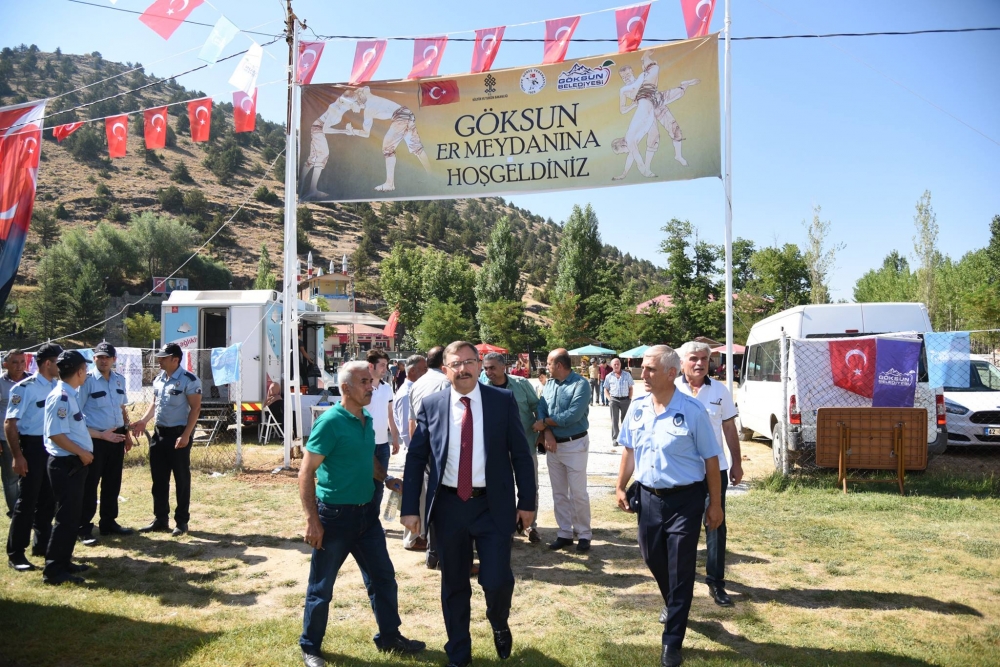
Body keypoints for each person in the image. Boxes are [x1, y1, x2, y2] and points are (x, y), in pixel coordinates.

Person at [401, 341, 536, 667]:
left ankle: (498, 619)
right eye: (455, 364)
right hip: (449, 507)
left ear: (478, 365)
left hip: (492, 505)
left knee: (497, 579)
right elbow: (416, 457)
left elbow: (521, 454)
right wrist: (409, 508)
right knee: (454, 584)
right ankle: (459, 654)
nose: (463, 369)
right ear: (445, 369)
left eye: (469, 362)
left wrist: (527, 502)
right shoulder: (432, 405)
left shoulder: (501, 401)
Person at [298, 361, 426, 667]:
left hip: (367, 517)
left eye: (372, 381)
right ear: (345, 388)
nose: (372, 386)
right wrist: (312, 520)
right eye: (365, 382)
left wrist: (388, 479)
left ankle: (390, 637)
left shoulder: (366, 418)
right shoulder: (330, 423)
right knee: (322, 588)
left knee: (383, 579)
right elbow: (305, 473)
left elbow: (367, 459)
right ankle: (310, 646)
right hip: (334, 518)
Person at [615, 345, 724, 667]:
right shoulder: (637, 408)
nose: (643, 374)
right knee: (652, 556)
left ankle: (672, 642)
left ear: (671, 373)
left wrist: (715, 504)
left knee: (680, 569)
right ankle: (675, 602)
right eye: (643, 367)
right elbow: (629, 450)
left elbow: (711, 460)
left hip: (685, 501)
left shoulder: (692, 411)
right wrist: (620, 486)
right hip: (648, 498)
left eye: (650, 369)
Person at [675, 341, 742, 608]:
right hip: (682, 473)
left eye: (704, 358)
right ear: (682, 362)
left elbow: (729, 429)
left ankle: (716, 582)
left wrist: (737, 463)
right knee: (682, 529)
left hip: (714, 471)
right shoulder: (672, 389)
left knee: (715, 524)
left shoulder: (720, 391)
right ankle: (679, 585)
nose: (700, 363)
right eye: (693, 358)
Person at [131, 343, 202, 537]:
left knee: (181, 479)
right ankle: (160, 519)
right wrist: (143, 421)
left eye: (163, 358)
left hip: (178, 435)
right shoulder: (159, 379)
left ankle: (181, 521)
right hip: (159, 435)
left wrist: (186, 435)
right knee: (159, 479)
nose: (159, 360)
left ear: (175, 360)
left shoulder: (189, 380)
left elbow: (195, 409)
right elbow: (155, 403)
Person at [41, 351, 97, 585]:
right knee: (65, 518)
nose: (87, 373)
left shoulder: (70, 394)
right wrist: (82, 452)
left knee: (72, 517)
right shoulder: (62, 397)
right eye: (85, 369)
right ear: (80, 371)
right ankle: (54, 570)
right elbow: (56, 434)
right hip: (66, 464)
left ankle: (64, 561)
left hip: (73, 464)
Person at [5, 343, 62, 571]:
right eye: (59, 362)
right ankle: (16, 553)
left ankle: (42, 544)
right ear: (48, 363)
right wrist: (17, 456)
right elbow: (10, 424)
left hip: (52, 446)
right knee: (27, 501)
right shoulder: (24, 388)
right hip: (33, 447)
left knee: (48, 499)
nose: (62, 366)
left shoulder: (58, 386)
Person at [534, 348, 592, 552]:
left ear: (559, 365)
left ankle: (584, 534)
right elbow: (541, 407)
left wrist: (544, 423)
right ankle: (565, 533)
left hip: (575, 444)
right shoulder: (549, 385)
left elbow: (572, 415)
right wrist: (547, 432)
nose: (546, 366)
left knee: (578, 493)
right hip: (553, 446)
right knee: (558, 493)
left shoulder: (581, 384)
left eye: (548, 363)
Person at [481, 351, 541, 544]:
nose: (488, 372)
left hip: (525, 446)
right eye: (485, 368)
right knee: (500, 489)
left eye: (492, 368)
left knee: (530, 485)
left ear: (503, 367)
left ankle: (529, 525)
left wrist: (542, 430)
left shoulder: (521, 384)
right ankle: (506, 527)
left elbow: (537, 406)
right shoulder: (481, 387)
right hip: (497, 450)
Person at [77, 342, 133, 544]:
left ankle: (108, 523)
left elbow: (122, 408)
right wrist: (97, 435)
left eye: (107, 357)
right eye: (99, 357)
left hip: (116, 437)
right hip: (95, 438)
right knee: (90, 484)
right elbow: (76, 413)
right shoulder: (87, 381)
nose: (103, 360)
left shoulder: (119, 380)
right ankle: (84, 527)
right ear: (94, 359)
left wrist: (126, 433)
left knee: (112, 481)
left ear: (114, 359)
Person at [406, 345, 450, 569]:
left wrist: (417, 449)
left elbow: (413, 422)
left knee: (431, 500)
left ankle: (433, 552)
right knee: (444, 503)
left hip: (425, 447)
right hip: (441, 450)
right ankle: (438, 553)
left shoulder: (417, 383)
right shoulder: (445, 383)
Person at [342, 86, 432, 192]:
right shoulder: (366, 93)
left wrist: (352, 131)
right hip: (407, 113)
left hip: (400, 117)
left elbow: (365, 133)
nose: (351, 109)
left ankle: (389, 184)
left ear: (355, 102)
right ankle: (431, 177)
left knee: (387, 149)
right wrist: (355, 94)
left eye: (350, 106)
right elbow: (365, 88)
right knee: (416, 148)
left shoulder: (368, 111)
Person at [393, 354, 428, 551]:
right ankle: (413, 539)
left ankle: (417, 535)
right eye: (424, 369)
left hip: (415, 451)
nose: (426, 373)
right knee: (416, 496)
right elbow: (407, 429)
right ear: (412, 371)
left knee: (419, 495)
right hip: (414, 452)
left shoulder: (411, 389)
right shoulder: (407, 393)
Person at [366, 349, 401, 511]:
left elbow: (390, 414)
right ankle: (363, 520)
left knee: (380, 486)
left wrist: (395, 437)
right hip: (365, 445)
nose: (385, 369)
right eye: (382, 365)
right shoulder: (362, 387)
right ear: (370, 366)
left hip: (383, 444)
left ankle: (373, 519)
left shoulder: (386, 387)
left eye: (386, 365)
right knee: (364, 484)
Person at [1, 349, 27, 516]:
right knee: (11, 478)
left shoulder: (32, 381)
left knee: (33, 474)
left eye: (22, 362)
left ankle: (31, 509)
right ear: (6, 365)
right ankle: (16, 512)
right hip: (6, 438)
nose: (19, 366)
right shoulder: (1, 383)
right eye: (15, 362)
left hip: (30, 436)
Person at [604, 358, 634, 447]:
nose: (616, 366)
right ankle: (615, 439)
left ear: (620, 365)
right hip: (614, 400)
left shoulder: (627, 375)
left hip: (625, 400)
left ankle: (625, 439)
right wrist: (609, 399)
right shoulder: (609, 376)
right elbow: (605, 389)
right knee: (614, 420)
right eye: (615, 364)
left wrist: (629, 399)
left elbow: (631, 388)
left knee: (625, 420)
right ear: (611, 365)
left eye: (618, 364)